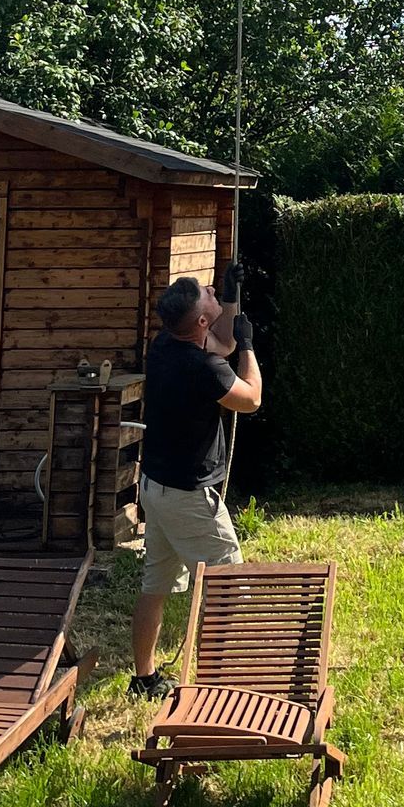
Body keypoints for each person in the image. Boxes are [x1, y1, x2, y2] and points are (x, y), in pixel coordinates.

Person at [128, 266, 262, 694]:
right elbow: (251, 399)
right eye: (207, 294)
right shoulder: (204, 369)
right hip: (188, 496)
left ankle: (144, 677)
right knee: (228, 588)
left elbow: (217, 342)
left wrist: (229, 295)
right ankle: (218, 686)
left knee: (156, 585)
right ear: (200, 321)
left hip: (155, 487)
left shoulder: (164, 346)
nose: (208, 290)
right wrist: (250, 349)